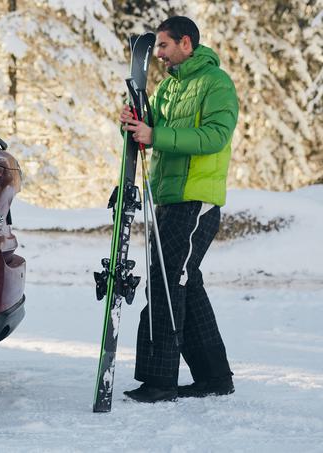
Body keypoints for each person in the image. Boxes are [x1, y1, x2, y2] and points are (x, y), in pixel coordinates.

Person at [119, 16, 239, 402]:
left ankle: (160, 381)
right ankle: (214, 377)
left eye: (165, 47)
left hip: (196, 200)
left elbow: (216, 136)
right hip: (169, 197)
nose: (160, 57)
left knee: (167, 283)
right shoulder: (169, 87)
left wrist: (156, 134)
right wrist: (136, 123)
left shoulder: (216, 83)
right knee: (186, 282)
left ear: (186, 43)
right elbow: (153, 129)